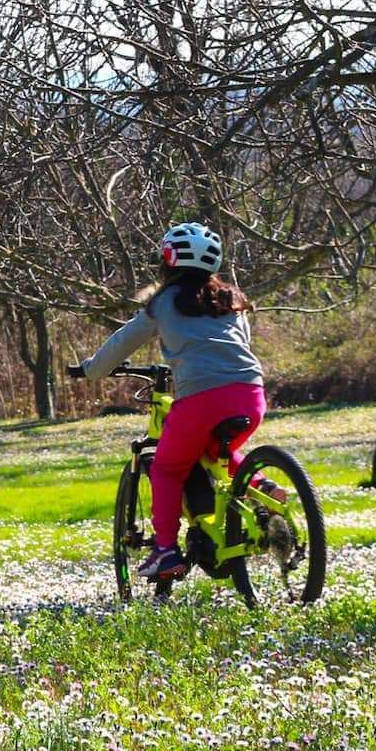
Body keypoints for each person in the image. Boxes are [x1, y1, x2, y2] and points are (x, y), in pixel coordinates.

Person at [65, 223, 275, 582]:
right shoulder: (232, 299)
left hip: (201, 399)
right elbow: (238, 344)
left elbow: (122, 342)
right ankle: (264, 486)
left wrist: (93, 370)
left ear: (168, 259)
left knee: (166, 468)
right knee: (213, 451)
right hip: (251, 393)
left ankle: (165, 550)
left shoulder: (164, 302)